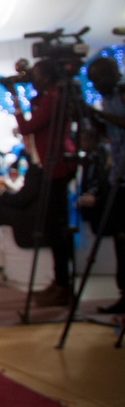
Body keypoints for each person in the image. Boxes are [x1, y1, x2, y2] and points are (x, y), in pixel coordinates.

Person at [11, 58, 79, 307]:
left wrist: (16, 101)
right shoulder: (49, 97)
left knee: (56, 228)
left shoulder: (54, 99)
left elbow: (28, 127)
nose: (32, 79)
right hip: (50, 167)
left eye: (36, 75)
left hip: (56, 167)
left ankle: (63, 286)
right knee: (53, 228)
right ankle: (60, 283)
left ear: (48, 78)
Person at [86, 57, 125, 314]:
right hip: (118, 175)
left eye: (98, 79)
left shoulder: (122, 94)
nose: (95, 85)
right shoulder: (108, 98)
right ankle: (123, 294)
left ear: (112, 73)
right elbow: (108, 134)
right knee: (120, 239)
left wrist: (98, 113)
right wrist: (93, 120)